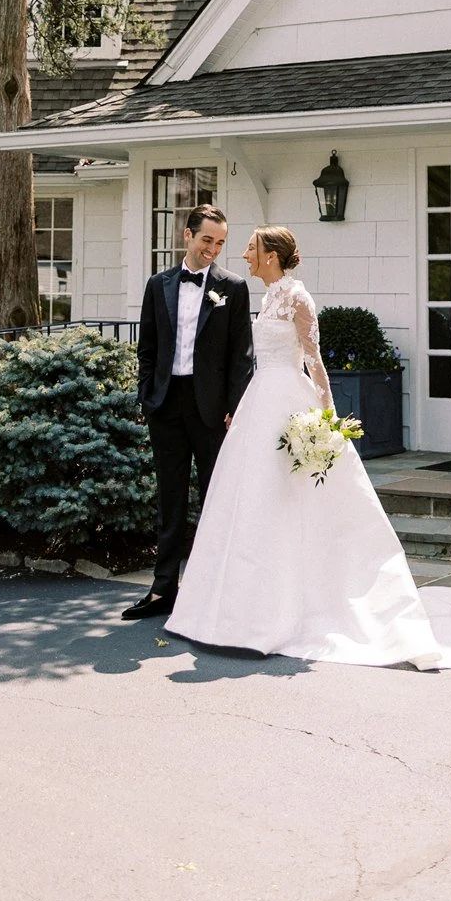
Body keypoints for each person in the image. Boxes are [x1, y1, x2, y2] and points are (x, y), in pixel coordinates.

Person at [165, 226, 451, 670]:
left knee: (292, 502)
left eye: (252, 248)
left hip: (289, 405)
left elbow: (314, 360)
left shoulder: (298, 298)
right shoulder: (266, 296)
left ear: (273, 256)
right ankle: (238, 609)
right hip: (260, 402)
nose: (244, 254)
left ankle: (297, 605)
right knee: (255, 501)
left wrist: (330, 421)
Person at [121, 204, 254, 621]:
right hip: (166, 406)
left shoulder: (233, 288)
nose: (212, 249)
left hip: (212, 411)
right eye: (206, 240)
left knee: (215, 499)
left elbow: (241, 356)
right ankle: (163, 591)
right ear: (186, 236)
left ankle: (213, 590)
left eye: (219, 243)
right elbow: (147, 349)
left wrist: (235, 408)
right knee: (170, 501)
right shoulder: (157, 284)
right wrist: (148, 398)